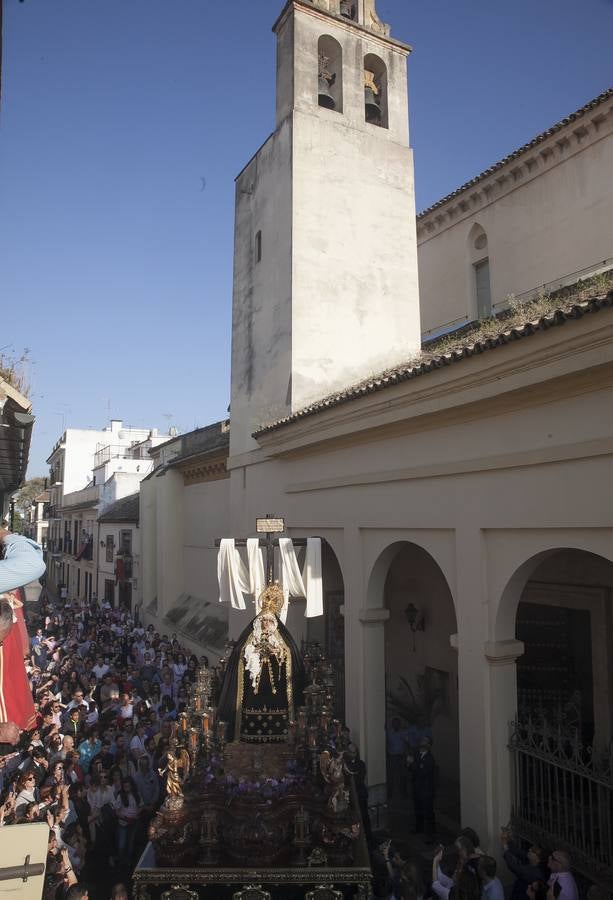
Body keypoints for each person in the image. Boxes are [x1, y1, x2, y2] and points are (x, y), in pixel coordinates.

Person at [218, 584, 305, 742]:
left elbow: (289, 654)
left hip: (276, 687)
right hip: (254, 685)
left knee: (276, 704)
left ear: (274, 622)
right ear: (259, 621)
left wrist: (277, 652)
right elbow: (240, 653)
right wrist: (252, 652)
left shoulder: (281, 639)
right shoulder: (252, 636)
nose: (266, 623)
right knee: (252, 704)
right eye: (263, 620)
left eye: (269, 620)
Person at [501, 827, 549, 900]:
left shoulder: (535, 872)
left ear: (537, 859)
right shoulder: (531, 859)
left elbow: (514, 866)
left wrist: (504, 845)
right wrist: (508, 839)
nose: (529, 849)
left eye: (532, 851)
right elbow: (517, 851)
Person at [407, 736, 436, 842]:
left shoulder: (430, 759)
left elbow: (422, 772)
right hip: (417, 788)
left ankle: (430, 835)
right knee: (418, 809)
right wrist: (409, 764)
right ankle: (419, 828)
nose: (422, 743)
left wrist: (413, 764)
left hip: (426, 790)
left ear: (429, 745)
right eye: (422, 741)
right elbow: (412, 769)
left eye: (425, 742)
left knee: (428, 812)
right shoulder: (417, 755)